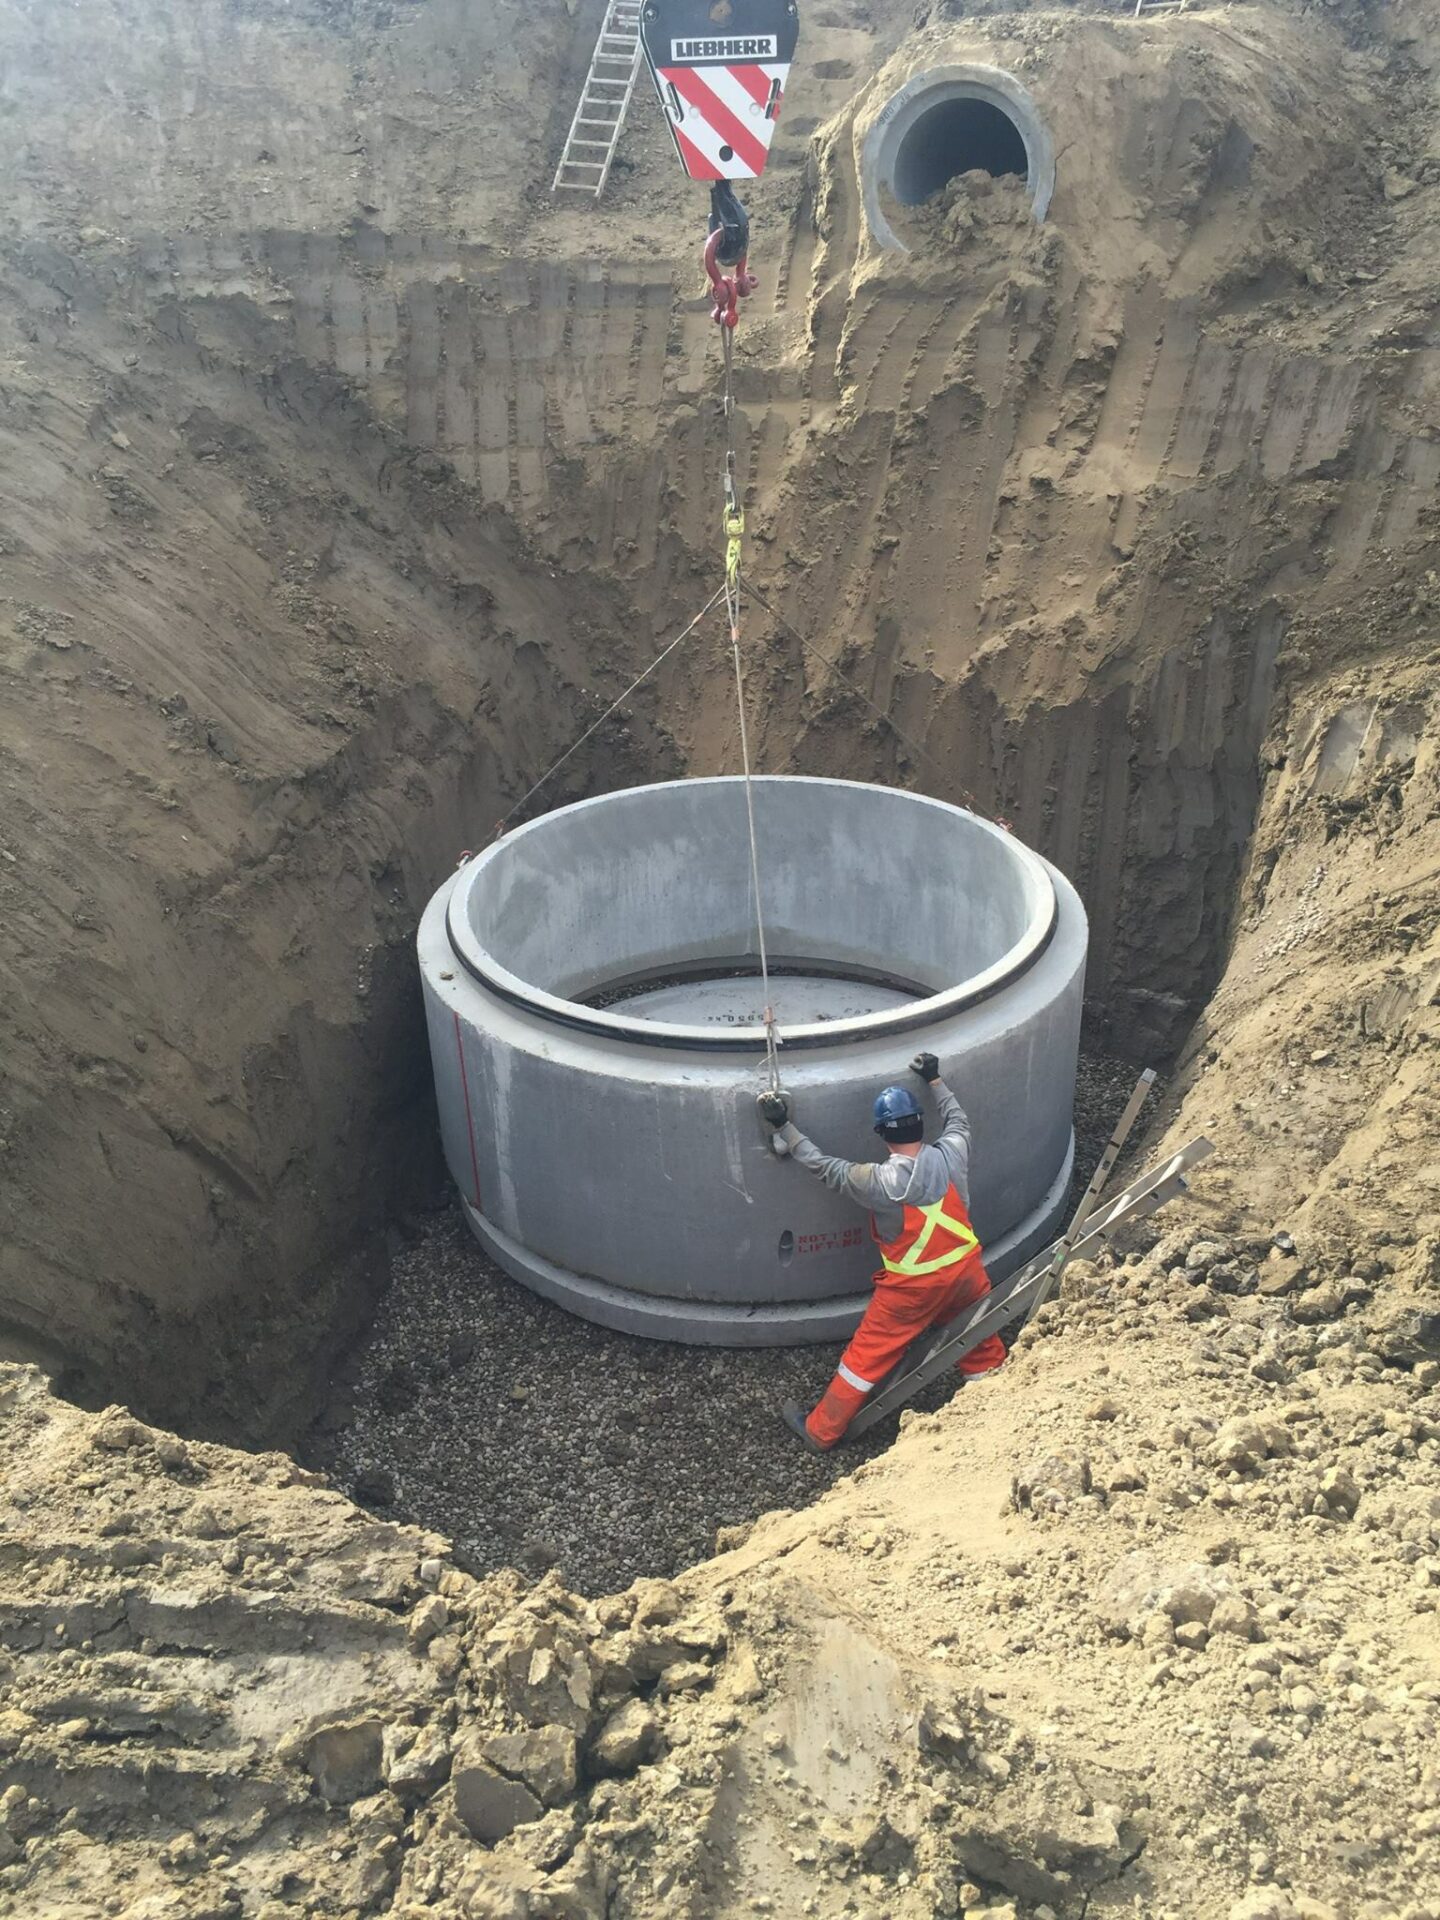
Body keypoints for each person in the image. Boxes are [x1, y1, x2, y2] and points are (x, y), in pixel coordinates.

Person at [759, 1052, 1006, 1451]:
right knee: (977, 1333)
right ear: (920, 1124)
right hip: (965, 1270)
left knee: (865, 1359)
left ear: (881, 1133)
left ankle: (820, 1431)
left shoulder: (875, 1181)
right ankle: (995, 1396)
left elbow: (822, 1165)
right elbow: (959, 1120)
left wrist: (783, 1126)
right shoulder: (952, 1151)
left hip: (912, 1290)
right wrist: (935, 1079)